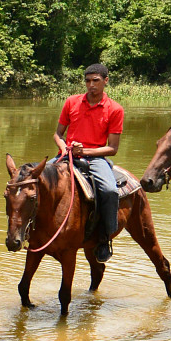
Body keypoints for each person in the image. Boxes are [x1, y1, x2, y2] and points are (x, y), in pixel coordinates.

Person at [55, 62, 124, 261]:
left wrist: (84, 150)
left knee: (110, 191)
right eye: (87, 81)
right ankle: (33, 231)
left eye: (96, 80)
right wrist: (63, 147)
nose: (91, 85)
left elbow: (113, 148)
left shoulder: (115, 109)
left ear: (106, 81)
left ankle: (105, 238)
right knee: (36, 182)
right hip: (66, 155)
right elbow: (58, 133)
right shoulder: (71, 102)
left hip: (95, 158)